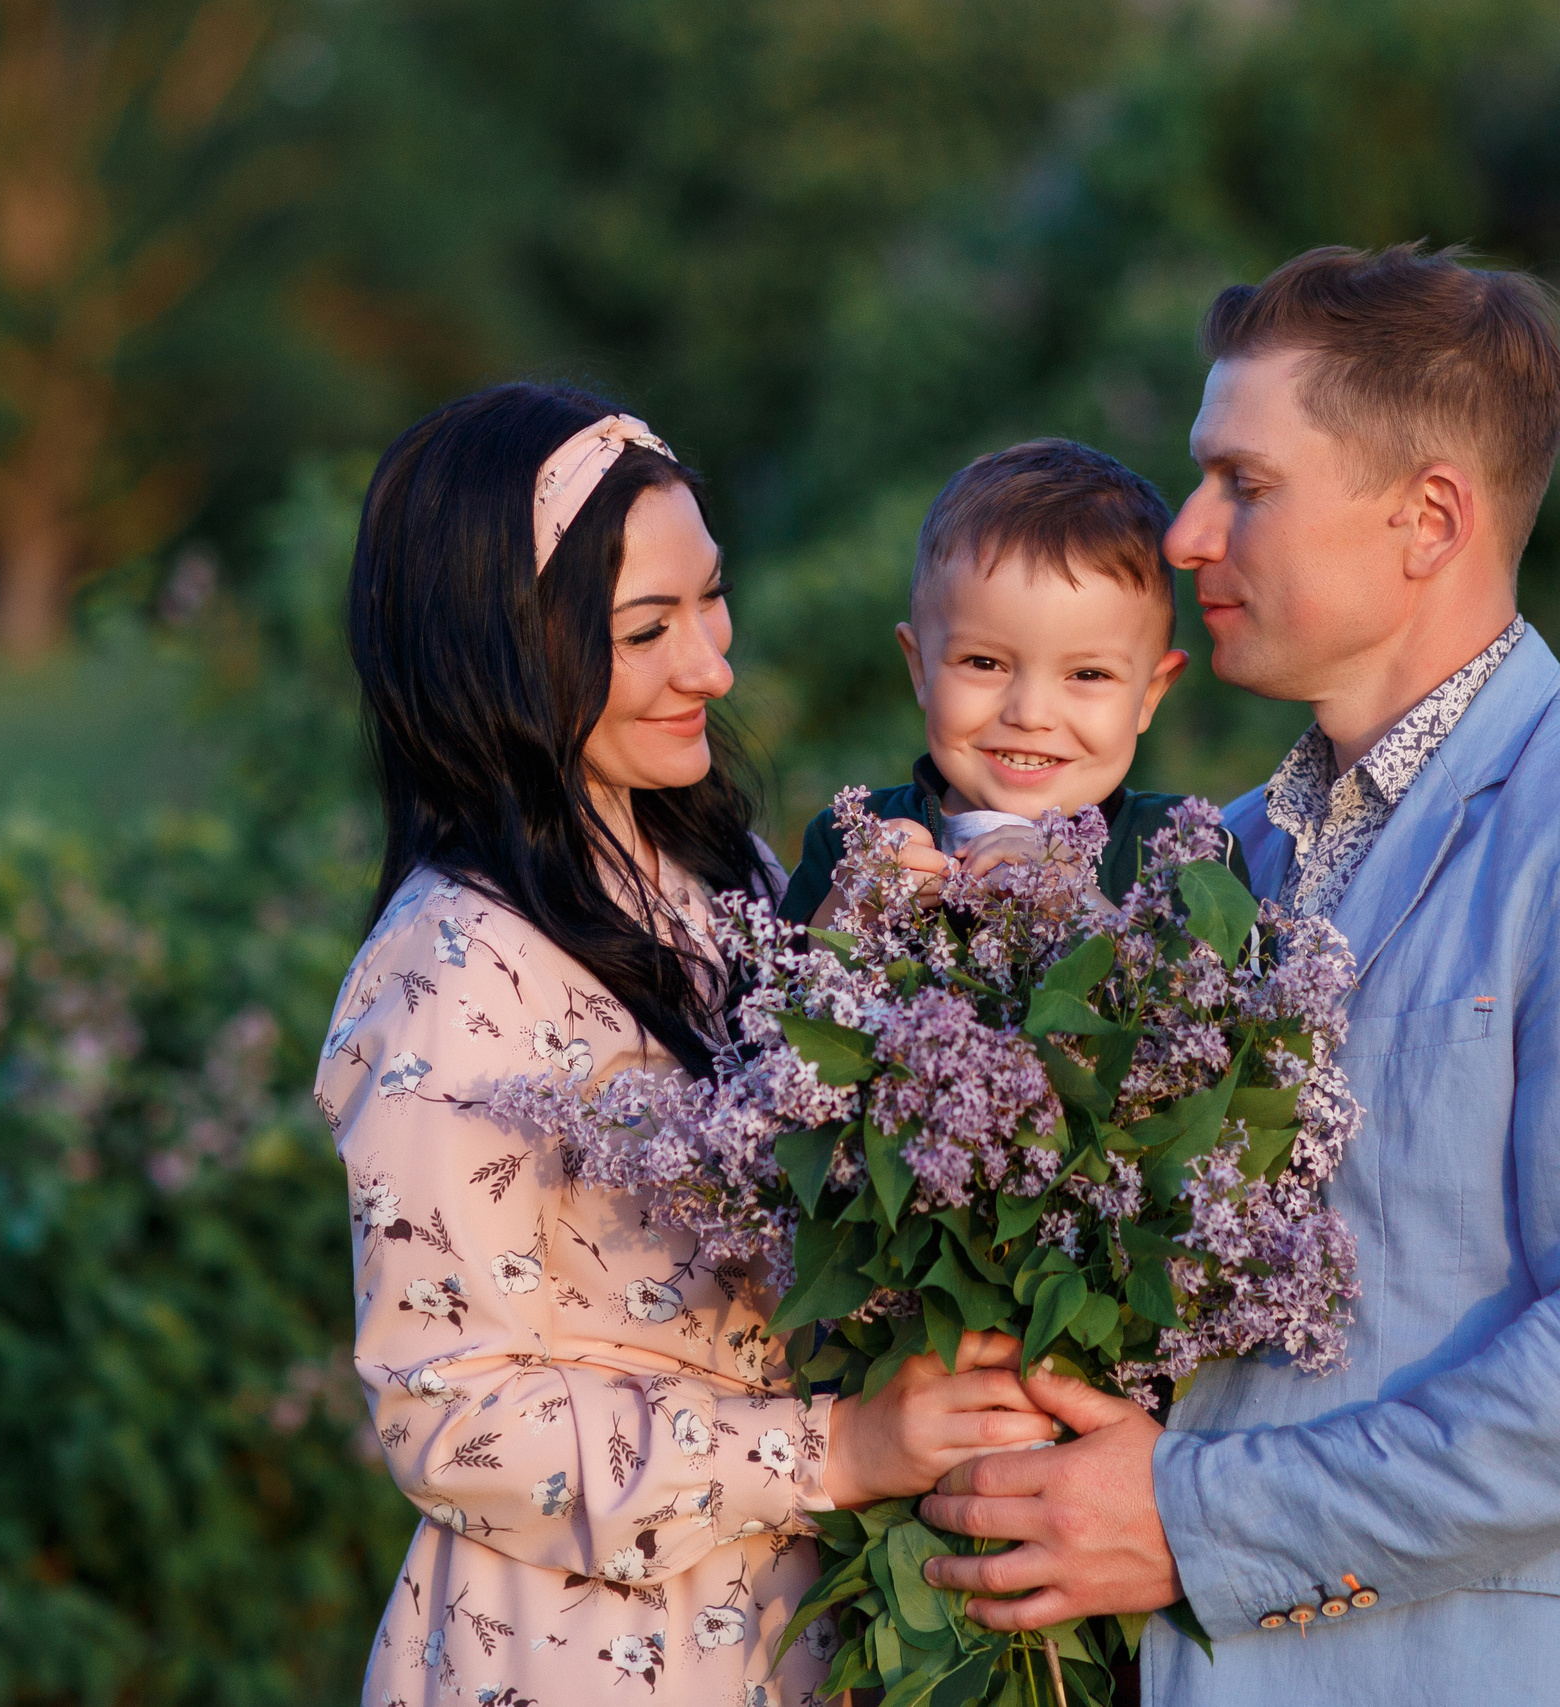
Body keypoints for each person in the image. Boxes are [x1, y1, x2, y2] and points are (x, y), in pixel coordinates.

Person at [917, 246, 1560, 1704]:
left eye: (1244, 483)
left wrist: (1193, 1518)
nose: (1187, 534)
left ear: (1429, 517)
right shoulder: (1231, 855)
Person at [319, 383, 1057, 1706]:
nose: (713, 665)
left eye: (711, 599)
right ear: (500, 653)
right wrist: (835, 1449)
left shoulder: (722, 871)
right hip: (573, 1656)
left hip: (806, 1631)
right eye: (646, 629)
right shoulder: (446, 968)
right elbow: (452, 1417)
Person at [777, 438, 1234, 929]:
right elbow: (765, 999)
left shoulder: (1185, 847)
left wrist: (1089, 916)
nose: (1030, 714)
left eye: (1087, 674)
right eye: (984, 663)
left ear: (1149, 695)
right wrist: (843, 919)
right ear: (921, 669)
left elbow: (1236, 1002)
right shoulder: (852, 840)